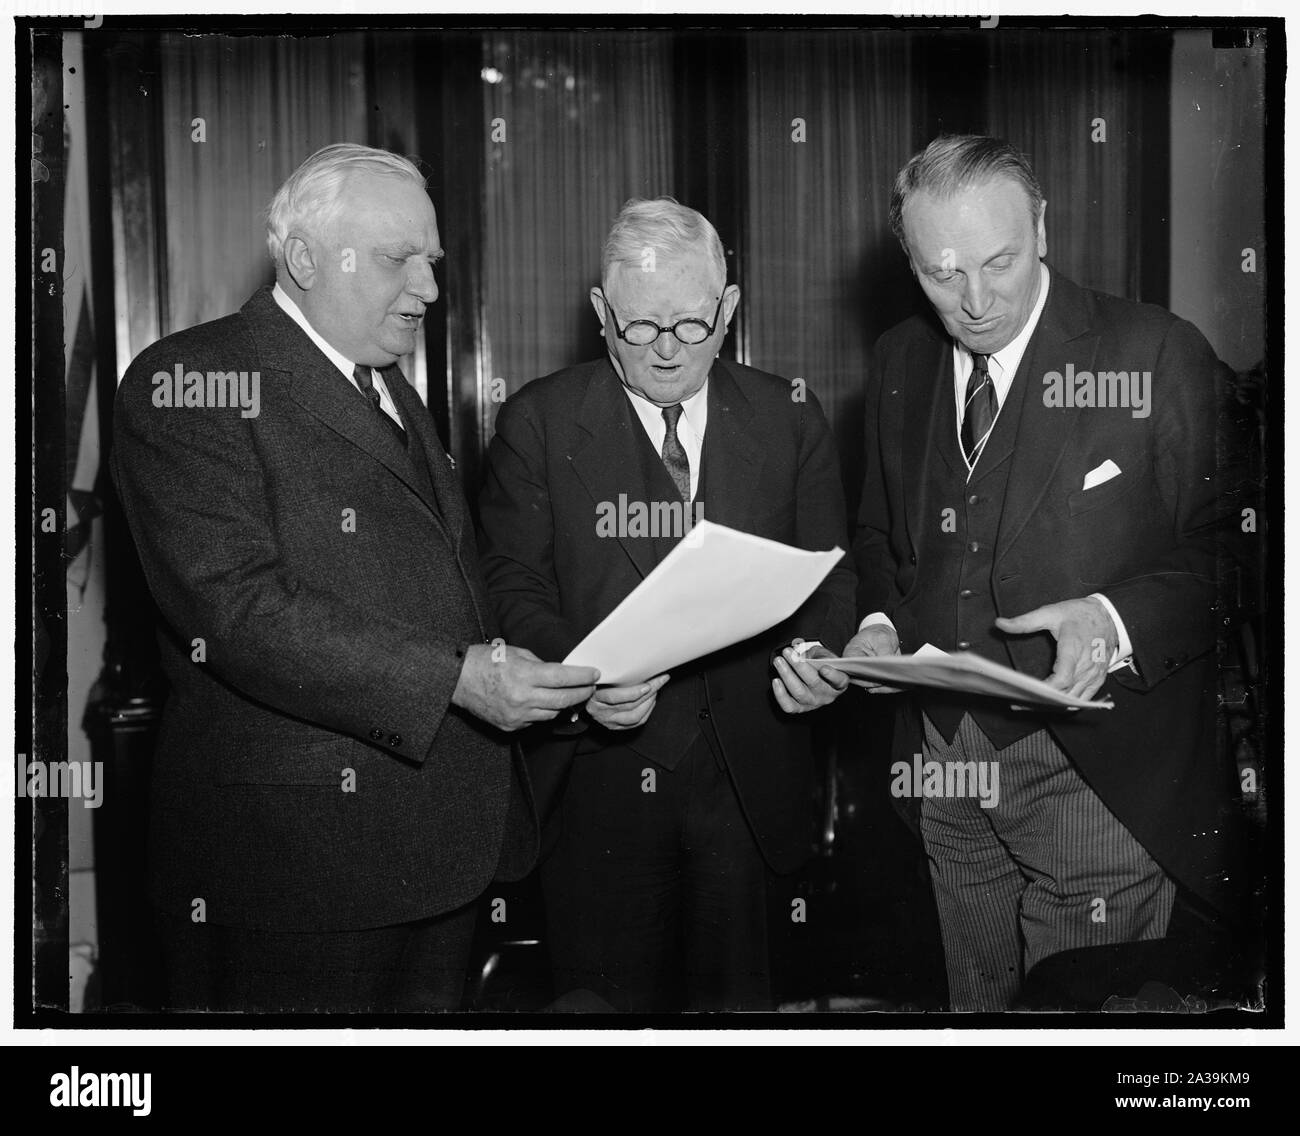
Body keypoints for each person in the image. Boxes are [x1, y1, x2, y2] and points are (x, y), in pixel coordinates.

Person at [111, 143, 599, 1012]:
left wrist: (574, 682)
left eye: (432, 262)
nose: (429, 289)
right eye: (396, 260)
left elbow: (449, 584)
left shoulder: (384, 386)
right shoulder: (191, 382)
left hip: (434, 853)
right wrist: (457, 680)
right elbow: (235, 609)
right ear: (303, 259)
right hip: (296, 874)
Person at [839, 135, 1246, 1011]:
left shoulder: (1155, 352)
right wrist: (877, 626)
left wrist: (1113, 618)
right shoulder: (900, 363)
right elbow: (879, 539)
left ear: (1043, 229)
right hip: (946, 766)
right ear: (908, 260)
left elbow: (1239, 545)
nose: (977, 301)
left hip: (1095, 771)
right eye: (943, 274)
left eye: (1001, 261)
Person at [476, 197, 855, 1012]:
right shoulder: (538, 422)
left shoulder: (790, 418)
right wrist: (587, 680)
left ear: (729, 309)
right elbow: (513, 586)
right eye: (640, 328)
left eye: (691, 325)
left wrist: (823, 659)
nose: (667, 352)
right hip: (598, 790)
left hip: (752, 783)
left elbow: (830, 575)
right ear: (601, 314)